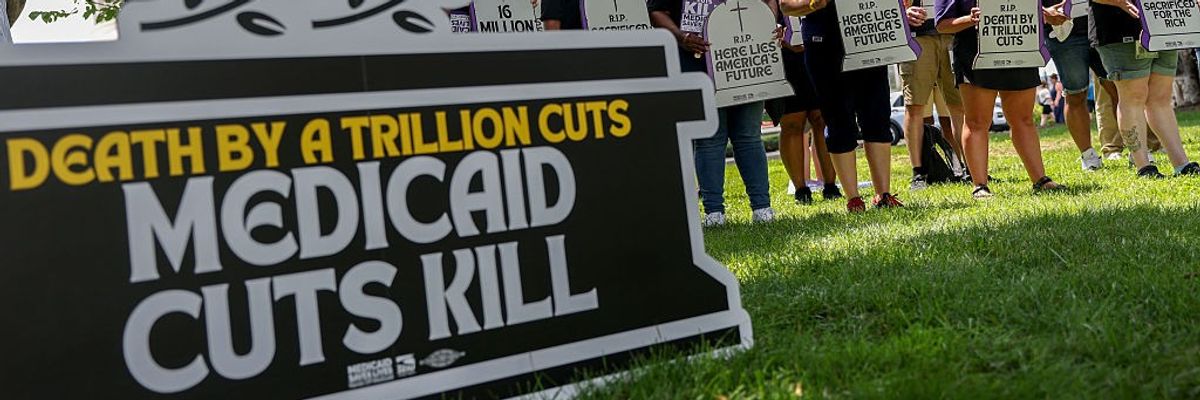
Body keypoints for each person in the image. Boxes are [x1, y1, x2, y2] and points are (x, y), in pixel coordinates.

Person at [649, 0, 778, 225]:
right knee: (709, 139)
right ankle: (714, 212)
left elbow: (769, 1)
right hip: (697, 62)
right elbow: (657, 10)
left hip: (745, 58)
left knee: (748, 136)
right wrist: (682, 37)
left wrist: (766, 25)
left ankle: (762, 208)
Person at [780, 0, 907, 212]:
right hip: (824, 47)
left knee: (877, 117)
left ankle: (883, 194)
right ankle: (853, 198)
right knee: (838, 120)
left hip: (868, 40)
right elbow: (786, 5)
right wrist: (814, 4)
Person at [935, 0, 1063, 199]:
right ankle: (980, 185)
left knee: (1023, 120)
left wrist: (1048, 14)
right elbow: (942, 25)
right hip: (975, 55)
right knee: (977, 122)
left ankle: (1041, 180)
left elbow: (1044, 9)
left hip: (1020, 49)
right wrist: (971, 19)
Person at [1091, 0, 1200, 177]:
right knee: (1133, 97)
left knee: (1161, 98)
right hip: (1120, 28)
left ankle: (1182, 164)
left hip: (1164, 25)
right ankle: (1143, 166)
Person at [899, 0, 966, 191]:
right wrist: (902, 12)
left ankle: (970, 168)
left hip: (954, 33)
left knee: (960, 105)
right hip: (917, 38)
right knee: (914, 106)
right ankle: (918, 172)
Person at [772, 32, 841, 204]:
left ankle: (831, 186)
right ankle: (801, 190)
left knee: (822, 118)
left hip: (818, 45)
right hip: (783, 54)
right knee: (792, 122)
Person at [1041, 1, 1106, 170]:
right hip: (1062, 29)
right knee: (1075, 94)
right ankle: (1088, 156)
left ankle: (1139, 152)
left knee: (1122, 89)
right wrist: (1043, 11)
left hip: (1104, 20)